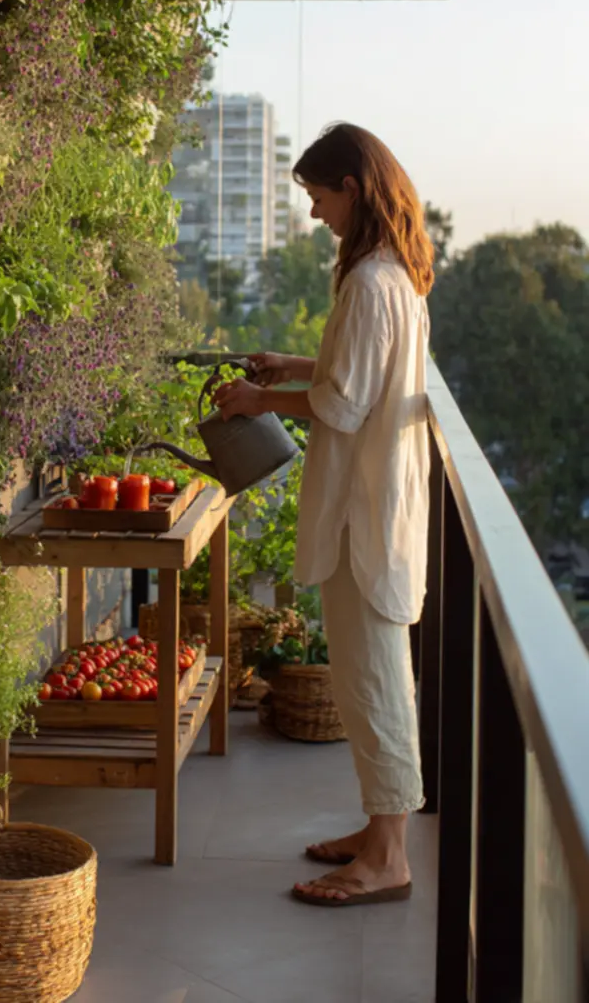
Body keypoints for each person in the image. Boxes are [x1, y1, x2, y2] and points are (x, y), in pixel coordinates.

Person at [212, 122, 433, 909]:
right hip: (375, 511)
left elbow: (342, 404)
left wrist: (257, 398)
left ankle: (389, 859)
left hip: (364, 518)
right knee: (371, 678)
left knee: (375, 683)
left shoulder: (373, 284)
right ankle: (378, 835)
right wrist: (293, 362)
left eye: (317, 197)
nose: (314, 215)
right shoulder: (386, 276)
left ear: (353, 188)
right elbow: (351, 375)